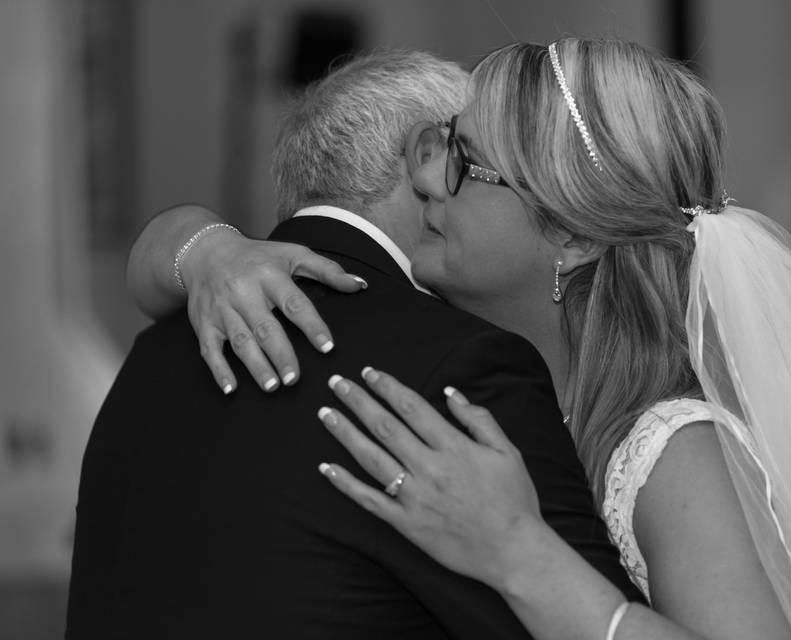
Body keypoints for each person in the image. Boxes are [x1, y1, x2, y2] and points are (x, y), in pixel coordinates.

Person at [129, 39, 791, 640]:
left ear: (572, 237)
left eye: (465, 161)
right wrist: (209, 249)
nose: (423, 178)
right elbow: (152, 266)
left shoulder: (671, 443)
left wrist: (519, 552)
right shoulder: (488, 368)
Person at [67, 49, 643, 640]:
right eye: (469, 161)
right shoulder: (459, 365)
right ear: (427, 155)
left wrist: (197, 241)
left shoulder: (154, 350)